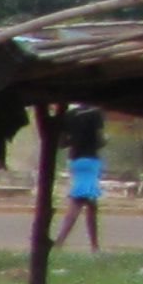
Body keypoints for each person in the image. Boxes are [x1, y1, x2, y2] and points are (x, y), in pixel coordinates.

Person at [55, 101, 109, 252]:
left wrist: (75, 139)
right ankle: (61, 242)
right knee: (79, 203)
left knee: (91, 204)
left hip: (76, 160)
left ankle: (94, 245)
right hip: (91, 160)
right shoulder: (96, 113)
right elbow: (100, 140)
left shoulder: (69, 115)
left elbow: (61, 143)